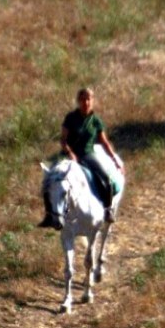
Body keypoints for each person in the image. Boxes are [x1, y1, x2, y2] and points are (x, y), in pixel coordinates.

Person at [39, 88, 124, 227]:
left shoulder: (96, 121)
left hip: (88, 155)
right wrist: (70, 152)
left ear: (93, 101)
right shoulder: (71, 118)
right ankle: (49, 215)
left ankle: (108, 210)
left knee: (106, 179)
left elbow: (104, 142)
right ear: (78, 101)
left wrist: (115, 160)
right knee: (49, 181)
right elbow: (63, 140)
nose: (86, 102)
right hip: (69, 155)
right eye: (83, 99)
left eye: (88, 99)